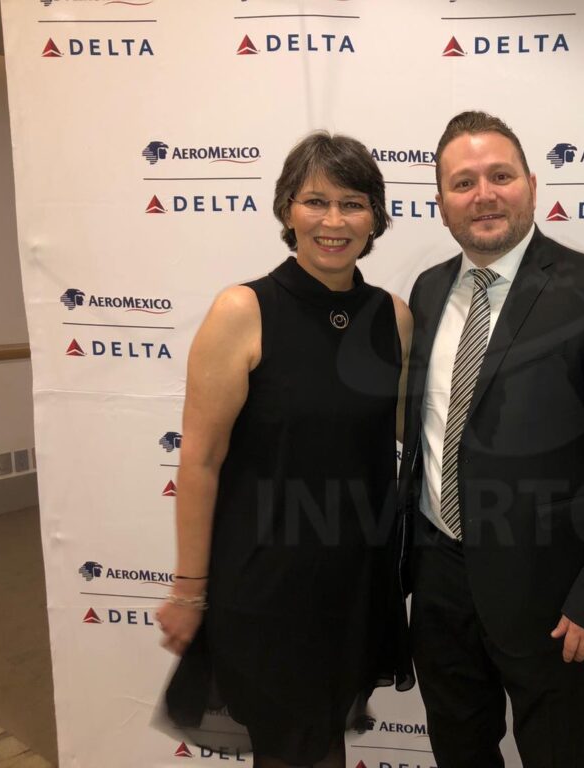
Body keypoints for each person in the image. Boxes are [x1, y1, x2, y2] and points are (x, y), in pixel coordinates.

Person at [399, 111, 584, 768]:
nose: (484, 195)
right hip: (439, 582)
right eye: (463, 183)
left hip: (552, 593)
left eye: (501, 176)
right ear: (441, 203)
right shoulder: (427, 291)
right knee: (458, 753)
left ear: (532, 186)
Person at [156, 131, 414, 768]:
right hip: (269, 582)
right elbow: (201, 461)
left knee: (324, 737)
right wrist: (189, 589)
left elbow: (406, 436)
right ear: (286, 210)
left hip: (356, 580)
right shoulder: (242, 310)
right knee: (289, 745)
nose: (333, 221)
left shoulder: (394, 316)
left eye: (352, 203)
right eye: (315, 201)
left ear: (375, 218)